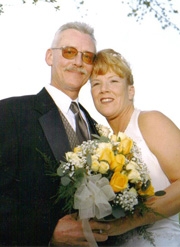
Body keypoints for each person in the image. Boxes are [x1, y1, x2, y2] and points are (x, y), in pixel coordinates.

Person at [0, 22, 110, 246]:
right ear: (50, 56)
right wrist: (47, 232)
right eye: (69, 52)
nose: (78, 62)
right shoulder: (10, 113)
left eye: (87, 57)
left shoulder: (99, 131)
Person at [90, 49, 180, 246]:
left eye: (113, 81)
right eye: (96, 84)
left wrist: (126, 223)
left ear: (130, 90)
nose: (104, 89)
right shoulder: (102, 146)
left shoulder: (149, 121)